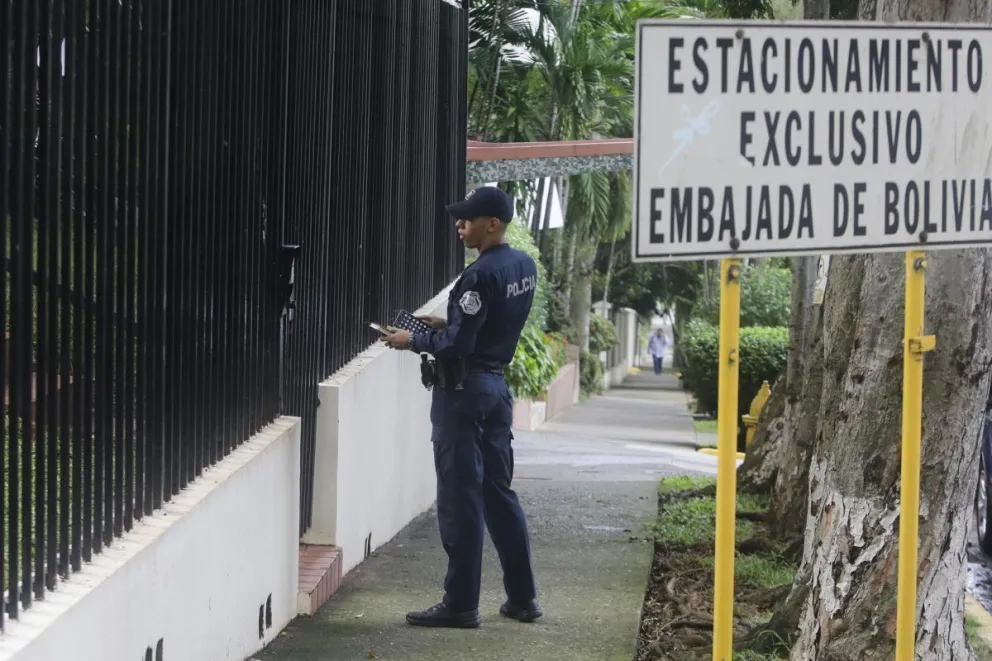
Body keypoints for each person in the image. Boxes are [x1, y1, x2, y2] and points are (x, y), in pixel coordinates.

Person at [382, 186, 541, 629]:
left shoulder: (477, 276)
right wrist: (446, 322)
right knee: (499, 495)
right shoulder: (523, 266)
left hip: (462, 395)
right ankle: (523, 598)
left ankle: (460, 604)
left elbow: (457, 347)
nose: (459, 224)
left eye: (468, 219)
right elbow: (483, 326)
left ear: (493, 224)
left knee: (459, 499)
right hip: (496, 391)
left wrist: (411, 339)